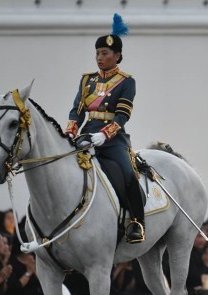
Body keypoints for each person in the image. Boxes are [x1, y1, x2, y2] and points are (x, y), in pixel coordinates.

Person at [65, 14, 144, 244]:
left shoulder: (126, 81)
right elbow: (77, 111)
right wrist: (70, 132)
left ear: (117, 56)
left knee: (129, 173)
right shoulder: (86, 80)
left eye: (105, 53)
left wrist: (104, 134)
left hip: (113, 138)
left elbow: (123, 115)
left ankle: (136, 222)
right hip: (87, 133)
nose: (99, 58)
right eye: (97, 53)